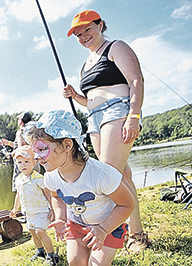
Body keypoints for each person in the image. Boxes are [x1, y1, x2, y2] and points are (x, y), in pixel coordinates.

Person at [24, 110, 134, 266]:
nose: (37, 156)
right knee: (75, 261)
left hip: (108, 224)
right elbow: (57, 197)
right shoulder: (51, 174)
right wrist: (60, 218)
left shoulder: (101, 174)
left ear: (67, 145)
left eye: (42, 149)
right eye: (35, 151)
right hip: (77, 223)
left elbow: (127, 205)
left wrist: (102, 229)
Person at [62, 10, 150, 252]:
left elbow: (135, 80)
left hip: (117, 111)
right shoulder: (85, 64)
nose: (83, 36)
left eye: (87, 29)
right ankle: (137, 233)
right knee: (122, 176)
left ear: (100, 25)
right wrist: (75, 96)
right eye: (78, 34)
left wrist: (134, 115)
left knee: (109, 177)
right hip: (94, 119)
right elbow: (90, 99)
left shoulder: (116, 47)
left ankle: (123, 236)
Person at [9, 145, 58, 266]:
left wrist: (53, 209)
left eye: (26, 162)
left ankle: (51, 255)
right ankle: (40, 251)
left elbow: (48, 194)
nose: (23, 165)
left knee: (40, 231)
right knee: (32, 231)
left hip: (41, 210)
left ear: (34, 162)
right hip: (28, 212)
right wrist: (15, 209)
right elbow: (18, 195)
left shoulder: (38, 178)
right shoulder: (19, 179)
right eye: (20, 162)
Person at [0, 111, 33, 192]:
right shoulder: (32, 131)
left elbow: (22, 150)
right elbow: (24, 146)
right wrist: (8, 143)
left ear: (20, 121)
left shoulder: (20, 132)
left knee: (21, 191)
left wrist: (9, 154)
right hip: (33, 163)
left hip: (23, 165)